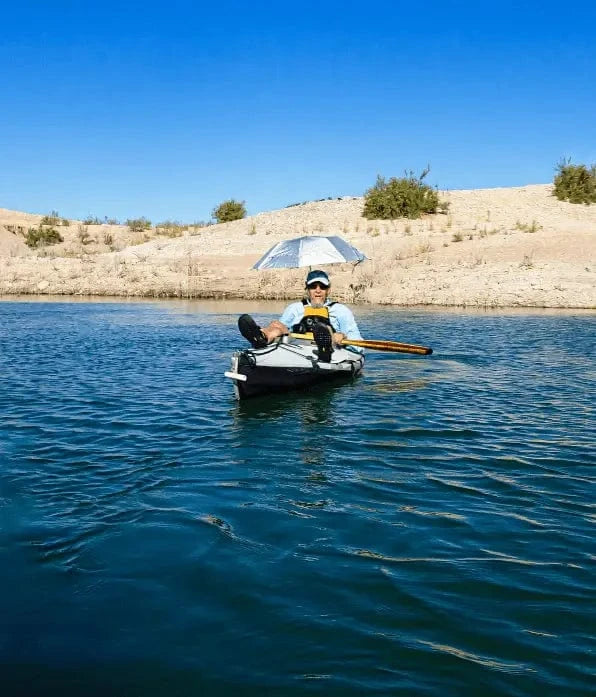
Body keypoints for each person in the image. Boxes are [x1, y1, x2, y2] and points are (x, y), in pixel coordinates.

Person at [238, 269, 362, 362]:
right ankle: (261, 338)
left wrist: (343, 338)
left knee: (325, 329)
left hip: (330, 348)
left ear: (328, 290)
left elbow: (358, 346)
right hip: (299, 347)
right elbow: (283, 333)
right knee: (276, 325)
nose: (318, 290)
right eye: (313, 286)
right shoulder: (295, 308)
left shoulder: (341, 311)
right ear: (307, 289)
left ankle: (325, 349)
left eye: (322, 287)